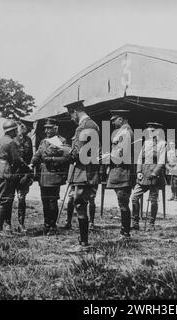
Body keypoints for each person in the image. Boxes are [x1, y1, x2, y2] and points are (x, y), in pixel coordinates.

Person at [67, 100, 100, 248]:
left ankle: (84, 244)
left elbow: (77, 154)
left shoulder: (83, 127)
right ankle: (83, 240)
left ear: (74, 111)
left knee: (80, 205)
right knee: (82, 204)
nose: (71, 119)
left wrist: (66, 151)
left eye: (71, 115)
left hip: (83, 172)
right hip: (90, 171)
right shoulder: (93, 124)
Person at [29, 118, 71, 235]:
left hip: (54, 175)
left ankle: (52, 226)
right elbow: (37, 154)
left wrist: (51, 159)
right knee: (45, 201)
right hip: (43, 175)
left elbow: (66, 158)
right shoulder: (44, 141)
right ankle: (46, 224)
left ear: (55, 128)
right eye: (46, 129)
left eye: (49, 128)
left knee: (52, 201)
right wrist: (32, 163)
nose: (47, 131)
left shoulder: (61, 141)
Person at [0, 120, 22, 235]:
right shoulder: (11, 143)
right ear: (12, 131)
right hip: (4, 172)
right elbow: (17, 161)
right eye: (16, 130)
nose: (17, 131)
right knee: (4, 201)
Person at [131, 122, 166, 231]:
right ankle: (135, 222)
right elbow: (139, 158)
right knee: (134, 197)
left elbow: (161, 161)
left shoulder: (162, 144)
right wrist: (138, 171)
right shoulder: (146, 143)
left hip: (155, 176)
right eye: (148, 131)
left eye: (152, 131)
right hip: (144, 175)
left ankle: (151, 223)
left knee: (153, 200)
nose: (149, 133)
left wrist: (154, 173)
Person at [106, 110, 135, 239]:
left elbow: (121, 154)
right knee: (122, 203)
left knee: (123, 203)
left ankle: (125, 233)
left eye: (114, 119)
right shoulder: (123, 131)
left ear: (121, 119)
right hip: (120, 171)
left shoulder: (125, 132)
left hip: (123, 172)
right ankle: (124, 231)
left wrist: (107, 157)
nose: (112, 122)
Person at [11, 122, 34, 233]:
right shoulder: (12, 139)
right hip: (12, 174)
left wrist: (29, 175)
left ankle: (21, 224)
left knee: (22, 199)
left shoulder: (29, 140)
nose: (28, 131)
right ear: (21, 127)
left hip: (23, 175)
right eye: (27, 129)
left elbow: (30, 159)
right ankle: (7, 223)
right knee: (9, 199)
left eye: (29, 130)